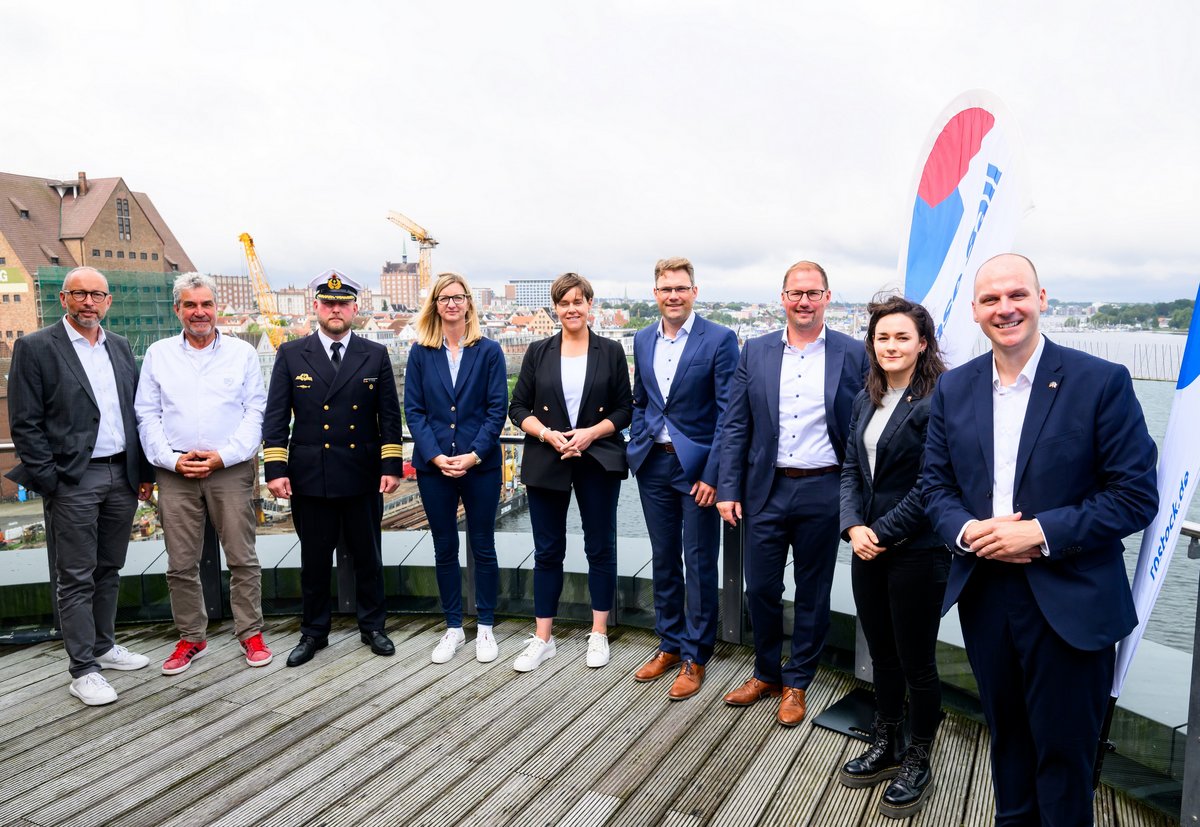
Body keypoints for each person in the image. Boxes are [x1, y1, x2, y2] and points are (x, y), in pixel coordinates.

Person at [922, 253, 1158, 826]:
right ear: (975, 312)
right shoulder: (953, 389)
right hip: (986, 593)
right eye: (990, 300)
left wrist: (1040, 532)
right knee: (1006, 741)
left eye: (1016, 295)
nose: (1005, 308)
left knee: (1065, 755)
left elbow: (1135, 495)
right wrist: (968, 529)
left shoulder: (1100, 381)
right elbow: (935, 488)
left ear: (1042, 297)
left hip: (1069, 598)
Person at [717, 260, 867, 726]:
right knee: (760, 587)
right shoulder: (755, 350)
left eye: (813, 293)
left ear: (827, 297)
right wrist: (727, 487)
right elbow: (736, 423)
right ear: (782, 298)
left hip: (825, 488)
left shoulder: (854, 352)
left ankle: (797, 680)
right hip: (766, 488)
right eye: (795, 293)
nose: (804, 301)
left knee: (813, 591)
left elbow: (864, 425)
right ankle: (766, 672)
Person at [5, 266, 154, 706]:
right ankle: (82, 668)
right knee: (74, 575)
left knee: (109, 567)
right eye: (80, 294)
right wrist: (52, 480)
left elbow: (134, 413)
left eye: (98, 295)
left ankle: (104, 647)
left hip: (120, 475)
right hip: (74, 477)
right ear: (64, 299)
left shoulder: (121, 346)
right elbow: (25, 423)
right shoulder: (35, 348)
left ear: (108, 301)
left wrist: (141, 474)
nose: (89, 302)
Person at [836, 295, 949, 818]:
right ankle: (887, 741)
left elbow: (933, 487)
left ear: (922, 343)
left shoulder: (937, 402)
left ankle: (918, 756)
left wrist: (877, 532)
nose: (891, 345)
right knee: (882, 653)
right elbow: (849, 471)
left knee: (917, 662)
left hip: (916, 554)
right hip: (867, 548)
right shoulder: (867, 397)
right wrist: (853, 527)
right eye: (883, 337)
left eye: (903, 336)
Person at [262, 269, 404, 667]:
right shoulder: (291, 354)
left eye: (343, 304)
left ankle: (373, 626)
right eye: (329, 303)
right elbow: (275, 419)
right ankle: (313, 632)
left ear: (355, 308)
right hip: (310, 476)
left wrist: (391, 464)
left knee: (368, 556)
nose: (336, 310)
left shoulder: (374, 353)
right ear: (316, 308)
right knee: (313, 560)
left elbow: (388, 417)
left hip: (361, 473)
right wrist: (275, 469)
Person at [135, 273, 271, 675]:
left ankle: (251, 632)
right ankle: (191, 637)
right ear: (177, 309)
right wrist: (170, 459)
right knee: (180, 563)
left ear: (217, 309)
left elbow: (255, 412)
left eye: (206, 304)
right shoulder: (159, 354)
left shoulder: (241, 354)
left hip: (228, 469)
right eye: (190, 305)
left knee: (242, 557)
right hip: (174, 470)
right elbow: (147, 413)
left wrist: (224, 456)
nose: (199, 312)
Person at [508, 272, 632, 672]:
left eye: (578, 301)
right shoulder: (538, 351)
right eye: (564, 302)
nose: (571, 308)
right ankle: (543, 638)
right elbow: (518, 408)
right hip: (549, 457)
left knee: (600, 546)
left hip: (597, 458)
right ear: (556, 308)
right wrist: (547, 434)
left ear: (590, 305)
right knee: (547, 550)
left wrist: (590, 434)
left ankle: (598, 633)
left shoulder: (611, 351)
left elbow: (624, 410)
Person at [627, 257, 739, 700]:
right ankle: (669, 644)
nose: (673, 295)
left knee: (698, 561)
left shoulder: (721, 339)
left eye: (681, 288)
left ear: (694, 291)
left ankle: (696, 654)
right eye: (665, 288)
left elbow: (730, 414)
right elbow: (641, 400)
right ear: (655, 293)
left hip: (697, 470)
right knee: (663, 557)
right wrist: (639, 436)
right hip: (653, 462)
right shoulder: (640, 338)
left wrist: (713, 473)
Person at [405, 273, 508, 664]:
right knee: (444, 546)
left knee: (483, 545)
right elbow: (413, 411)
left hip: (479, 467)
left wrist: (474, 455)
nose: (451, 304)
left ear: (469, 303)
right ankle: (452, 628)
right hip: (435, 467)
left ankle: (484, 626)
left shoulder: (489, 351)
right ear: (435, 305)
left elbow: (497, 409)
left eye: (458, 297)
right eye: (444, 298)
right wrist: (434, 456)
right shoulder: (420, 353)